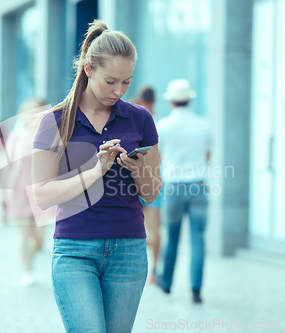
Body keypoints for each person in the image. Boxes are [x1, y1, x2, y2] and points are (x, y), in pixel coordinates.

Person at [32, 20, 161, 332]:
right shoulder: (55, 122)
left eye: (126, 83)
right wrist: (94, 171)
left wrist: (138, 169)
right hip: (75, 250)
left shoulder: (141, 119)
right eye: (111, 81)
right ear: (88, 69)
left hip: (129, 250)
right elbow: (42, 195)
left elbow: (153, 193)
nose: (119, 91)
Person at [155, 79, 212, 304]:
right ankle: (196, 289)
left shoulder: (164, 126)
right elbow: (208, 156)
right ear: (190, 99)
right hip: (198, 185)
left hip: (174, 186)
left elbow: (157, 158)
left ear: (171, 101)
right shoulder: (204, 125)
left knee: (172, 236)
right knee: (198, 238)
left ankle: (167, 282)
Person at [2, 98, 48, 286]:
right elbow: (6, 166)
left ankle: (30, 258)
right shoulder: (16, 137)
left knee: (39, 239)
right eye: (29, 111)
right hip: (19, 191)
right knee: (24, 235)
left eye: (36, 111)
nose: (32, 115)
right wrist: (3, 194)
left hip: (41, 191)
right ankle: (27, 270)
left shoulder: (48, 136)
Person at [134, 86, 162, 283]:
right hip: (156, 177)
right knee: (154, 227)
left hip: (137, 176)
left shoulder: (137, 119)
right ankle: (153, 268)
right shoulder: (158, 121)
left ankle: (143, 267)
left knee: (141, 226)